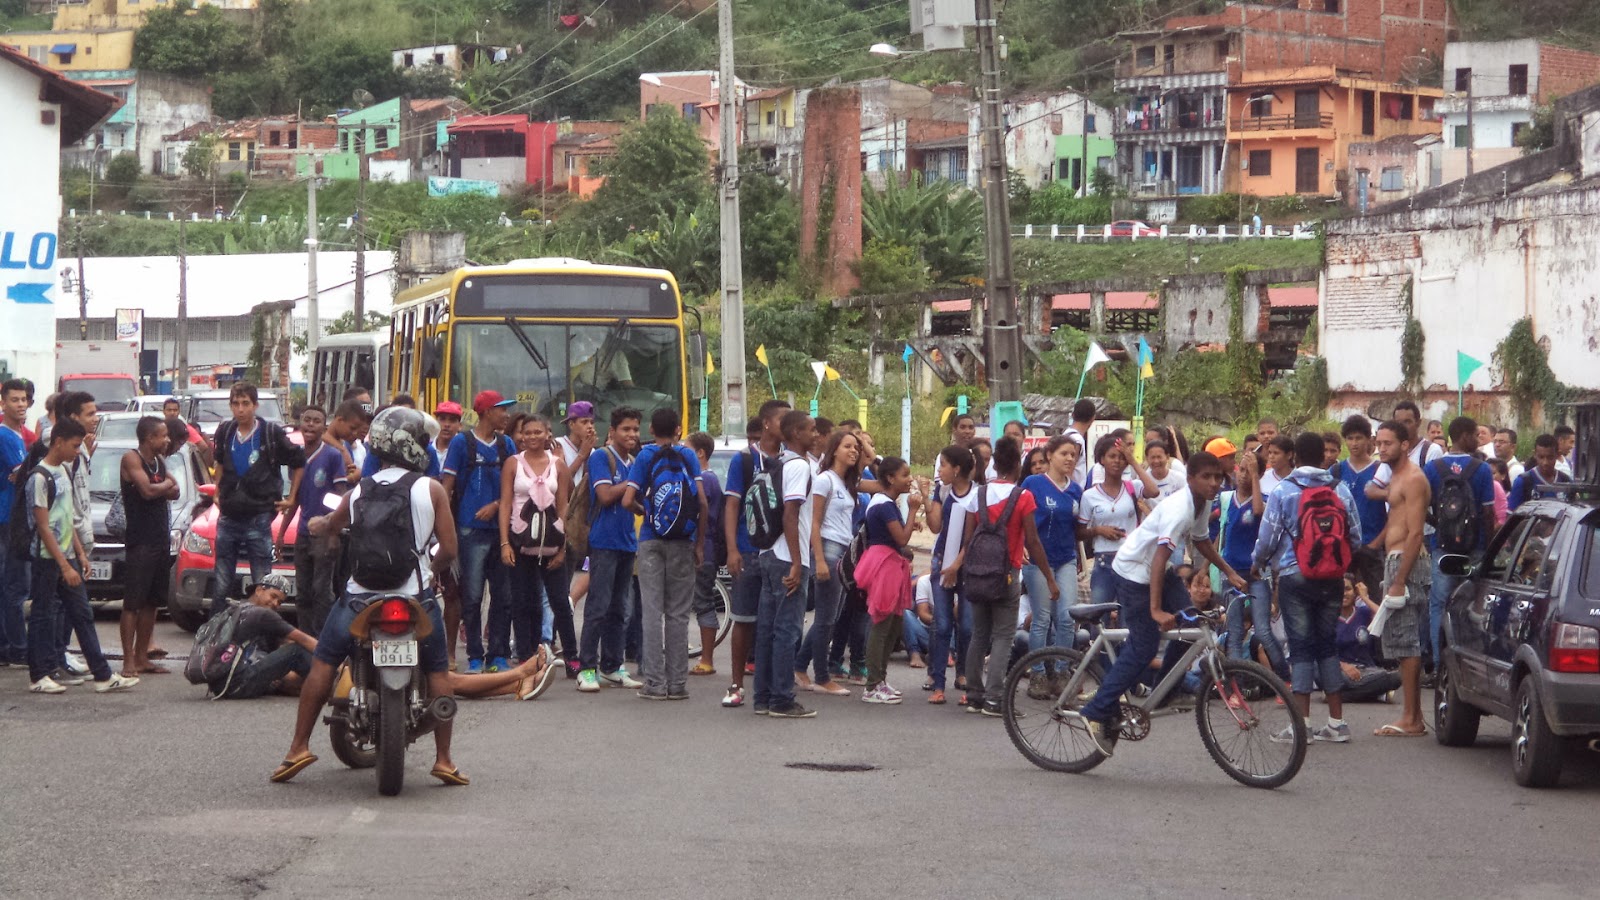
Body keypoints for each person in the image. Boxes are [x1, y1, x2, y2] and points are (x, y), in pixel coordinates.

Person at [273, 407, 470, 786]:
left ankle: (298, 747)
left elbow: (331, 524)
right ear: (416, 446)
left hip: (359, 598)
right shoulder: (430, 489)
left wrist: (320, 526)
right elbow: (449, 547)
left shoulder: (361, 488)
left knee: (325, 662)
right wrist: (432, 569)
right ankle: (444, 759)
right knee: (437, 671)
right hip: (414, 596)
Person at [1078, 451, 1242, 754]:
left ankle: (1167, 689)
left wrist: (1229, 571)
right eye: (1206, 477)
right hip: (1133, 573)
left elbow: (1202, 540)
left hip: (1157, 570)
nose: (1214, 483)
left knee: (1190, 620)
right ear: (1190, 478)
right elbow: (1160, 559)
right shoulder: (1180, 508)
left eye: (1218, 477)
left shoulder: (1202, 502)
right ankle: (1097, 710)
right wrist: (1155, 609)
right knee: (1144, 645)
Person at [1252, 432, 1362, 745]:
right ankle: (1337, 724)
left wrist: (1257, 563)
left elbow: (1267, 538)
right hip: (1331, 578)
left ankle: (1301, 726)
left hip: (1293, 576)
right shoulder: (1339, 488)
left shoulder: (1284, 490)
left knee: (1300, 647)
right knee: (1327, 645)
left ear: (1296, 457)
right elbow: (1356, 536)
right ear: (1324, 457)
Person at [945, 437, 1058, 717]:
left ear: (994, 463)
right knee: (1003, 637)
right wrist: (1049, 578)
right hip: (1007, 574)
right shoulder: (1023, 497)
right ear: (1018, 464)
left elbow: (969, 540)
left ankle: (974, 695)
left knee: (979, 635)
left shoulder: (978, 495)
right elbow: (1032, 542)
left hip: (978, 575)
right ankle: (995, 699)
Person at [26, 419, 138, 694]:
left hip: (67, 557)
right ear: (58, 442)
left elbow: (67, 519)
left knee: (83, 613)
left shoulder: (64, 470)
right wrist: (65, 565)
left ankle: (102, 675)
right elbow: (43, 526)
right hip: (47, 559)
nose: (78, 451)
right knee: (42, 615)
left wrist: (79, 554)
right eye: (75, 446)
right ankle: (39, 675)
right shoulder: (39, 477)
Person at [620, 408, 705, 701]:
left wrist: (646, 511)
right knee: (679, 614)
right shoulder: (689, 456)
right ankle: (678, 683)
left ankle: (655, 684)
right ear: (679, 430)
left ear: (652, 429)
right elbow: (703, 502)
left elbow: (628, 499)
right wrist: (699, 543)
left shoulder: (644, 456)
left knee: (652, 612)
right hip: (683, 541)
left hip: (651, 540)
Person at [211, 383, 306, 618]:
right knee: (221, 583)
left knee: (263, 583)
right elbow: (219, 462)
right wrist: (216, 490)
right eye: (235, 403)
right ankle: (215, 633)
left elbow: (298, 461)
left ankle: (262, 633)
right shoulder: (225, 432)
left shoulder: (270, 434)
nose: (240, 409)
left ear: (255, 405)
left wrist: (291, 498)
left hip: (258, 517)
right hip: (228, 517)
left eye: (245, 404)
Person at [441, 390, 519, 673]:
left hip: (500, 533)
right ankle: (474, 654)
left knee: (503, 596)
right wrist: (443, 530)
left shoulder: (507, 444)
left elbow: (515, 486)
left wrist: (496, 505)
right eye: (502, 409)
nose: (507, 415)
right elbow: (446, 488)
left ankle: (497, 654)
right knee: (471, 596)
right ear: (486, 411)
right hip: (469, 531)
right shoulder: (462, 444)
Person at [720, 400, 790, 708]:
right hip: (748, 549)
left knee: (775, 622)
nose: (788, 427)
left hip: (779, 552)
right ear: (766, 424)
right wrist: (732, 548)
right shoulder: (745, 460)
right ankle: (736, 684)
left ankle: (772, 683)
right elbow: (732, 504)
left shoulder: (791, 461)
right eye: (783, 420)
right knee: (744, 618)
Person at [498, 414, 576, 676]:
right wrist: (504, 543)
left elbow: (564, 506)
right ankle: (527, 659)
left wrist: (564, 547)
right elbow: (506, 504)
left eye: (537, 433)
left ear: (547, 434)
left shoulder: (559, 466)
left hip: (551, 544)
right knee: (522, 602)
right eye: (526, 433)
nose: (531, 437)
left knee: (560, 603)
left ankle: (574, 661)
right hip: (520, 543)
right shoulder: (512, 464)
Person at [753, 410, 818, 718]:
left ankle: (762, 697)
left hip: (769, 554)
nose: (815, 435)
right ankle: (782, 699)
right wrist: (796, 561)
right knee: (786, 631)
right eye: (811, 430)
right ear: (795, 435)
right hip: (787, 558)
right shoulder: (799, 467)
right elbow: (791, 515)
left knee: (767, 630)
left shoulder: (778, 463)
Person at [575, 407, 644, 693]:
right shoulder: (601, 458)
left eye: (636, 429)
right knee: (598, 608)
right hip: (603, 542)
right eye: (626, 429)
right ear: (612, 432)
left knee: (620, 610)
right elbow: (604, 496)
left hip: (628, 542)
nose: (632, 435)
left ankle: (612, 666)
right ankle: (586, 668)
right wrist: (634, 483)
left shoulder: (633, 461)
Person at [1369, 419, 1431, 735]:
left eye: (1388, 443)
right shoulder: (1394, 477)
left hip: (1408, 564)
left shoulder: (1414, 478)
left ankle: (1411, 717)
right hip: (1394, 560)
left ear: (1405, 445)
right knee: (1399, 639)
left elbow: (1416, 532)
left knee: (1407, 641)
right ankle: (1412, 716)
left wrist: (1400, 578)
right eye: (1378, 443)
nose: (1381, 448)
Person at [1423, 417, 1496, 665]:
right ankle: (1469, 662)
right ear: (1464, 436)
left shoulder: (1432, 468)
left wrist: (1440, 526)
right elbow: (1488, 513)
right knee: (1472, 605)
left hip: (1442, 548)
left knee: (1439, 603)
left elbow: (1420, 507)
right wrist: (1489, 547)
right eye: (1475, 435)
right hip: (1474, 548)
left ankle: (1438, 662)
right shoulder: (1482, 469)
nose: (1478, 440)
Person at [799, 429, 863, 697]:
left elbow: (876, 472)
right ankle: (822, 676)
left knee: (830, 617)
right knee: (826, 618)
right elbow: (814, 521)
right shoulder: (824, 480)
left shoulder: (845, 482)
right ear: (834, 449)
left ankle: (799, 665)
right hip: (827, 548)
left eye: (856, 448)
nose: (854, 451)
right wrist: (819, 560)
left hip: (844, 552)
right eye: (848, 446)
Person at [1219, 439, 1288, 680]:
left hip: (1256, 573)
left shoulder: (1264, 498)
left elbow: (1259, 512)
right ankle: (1235, 685)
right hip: (1232, 573)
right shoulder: (1227, 499)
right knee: (1234, 631)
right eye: (1242, 470)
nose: (1243, 476)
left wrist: (1257, 478)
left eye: (1250, 471)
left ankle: (1284, 678)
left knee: (1263, 630)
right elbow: (1221, 535)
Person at [118, 415, 179, 678]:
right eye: (162, 435)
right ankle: (128, 660)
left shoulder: (160, 461)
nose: (167, 440)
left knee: (152, 602)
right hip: (140, 541)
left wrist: (162, 486)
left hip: (160, 540)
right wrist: (163, 486)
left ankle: (143, 656)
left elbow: (175, 490)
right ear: (148, 438)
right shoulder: (132, 459)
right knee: (133, 602)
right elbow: (147, 491)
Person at [855, 457, 919, 704]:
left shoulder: (884, 503)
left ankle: (880, 680)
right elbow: (901, 539)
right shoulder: (884, 505)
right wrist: (913, 510)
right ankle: (872, 685)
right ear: (890, 478)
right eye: (905, 475)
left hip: (890, 563)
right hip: (884, 566)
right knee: (882, 625)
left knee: (892, 625)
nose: (909, 479)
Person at [1021, 435, 1083, 691]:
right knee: (1042, 619)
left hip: (1066, 559)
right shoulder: (1033, 483)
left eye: (1073, 455)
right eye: (1064, 454)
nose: (1069, 458)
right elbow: (1019, 518)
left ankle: (1061, 672)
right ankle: (1037, 674)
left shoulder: (1076, 490)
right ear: (1050, 456)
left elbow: (1078, 528)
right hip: (1036, 560)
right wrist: (1021, 545)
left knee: (1068, 617)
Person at [283, 405, 347, 638]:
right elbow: (295, 498)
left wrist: (333, 533)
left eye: (316, 421)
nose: (310, 424)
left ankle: (324, 639)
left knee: (322, 590)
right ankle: (304, 637)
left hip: (324, 534)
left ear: (324, 426)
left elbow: (342, 497)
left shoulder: (332, 456)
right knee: (302, 593)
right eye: (306, 419)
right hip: (301, 532)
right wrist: (281, 534)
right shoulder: (297, 457)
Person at [925, 445, 976, 705]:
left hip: (967, 568)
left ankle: (965, 674)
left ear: (957, 469)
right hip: (941, 563)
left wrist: (958, 564)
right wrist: (926, 498)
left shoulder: (978, 494)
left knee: (967, 626)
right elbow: (935, 527)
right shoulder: (942, 491)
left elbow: (975, 536)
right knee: (942, 624)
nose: (939, 470)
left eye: (943, 465)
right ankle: (938, 681)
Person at [1077, 434, 1145, 606]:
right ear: (1102, 459)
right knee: (1099, 614)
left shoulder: (1133, 487)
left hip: (1129, 559)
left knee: (1129, 616)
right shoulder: (1089, 496)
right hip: (1103, 561)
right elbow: (1079, 532)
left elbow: (1153, 491)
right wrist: (1098, 531)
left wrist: (1133, 461)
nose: (1117, 461)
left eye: (1122, 458)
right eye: (1112, 456)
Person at [1336, 415, 1388, 599]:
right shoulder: (1336, 471)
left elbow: (1395, 512)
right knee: (1342, 599)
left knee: (1376, 600)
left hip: (1372, 547)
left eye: (1358, 438)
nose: (1354, 443)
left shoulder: (1381, 470)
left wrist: (1377, 544)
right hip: (1343, 548)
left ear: (1369, 440)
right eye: (1350, 438)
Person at [687, 432, 724, 676]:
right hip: (707, 548)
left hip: (702, 548)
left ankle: (707, 659)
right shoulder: (709, 479)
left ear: (700, 453)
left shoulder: (704, 480)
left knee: (702, 603)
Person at [0, 379, 30, 668]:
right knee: (15, 587)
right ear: (3, 403)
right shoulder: (6, 436)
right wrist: (24, 472)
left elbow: (21, 473)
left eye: (24, 399)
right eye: (15, 400)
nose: (20, 404)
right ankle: (17, 648)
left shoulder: (17, 435)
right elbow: (24, 473)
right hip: (8, 519)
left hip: (11, 517)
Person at [1337, 575, 1403, 703]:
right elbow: (1321, 652)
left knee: (1397, 677)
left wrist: (1365, 598)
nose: (1343, 594)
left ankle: (1339, 696)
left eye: (1347, 589)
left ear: (1355, 592)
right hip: (1339, 670)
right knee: (1329, 676)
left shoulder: (1363, 612)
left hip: (1367, 671)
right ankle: (1376, 694)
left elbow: (1386, 619)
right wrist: (1344, 666)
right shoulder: (1328, 616)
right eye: (1339, 590)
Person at [1508, 433, 1574, 510]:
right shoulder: (1523, 482)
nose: (1545, 462)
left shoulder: (1566, 481)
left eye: (1550, 457)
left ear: (1557, 455)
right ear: (1535, 455)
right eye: (1541, 457)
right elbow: (1512, 515)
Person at [1065, 398, 1095, 487]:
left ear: (1073, 415)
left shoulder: (1065, 434)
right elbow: (1069, 470)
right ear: (1093, 418)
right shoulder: (1077, 440)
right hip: (1072, 492)